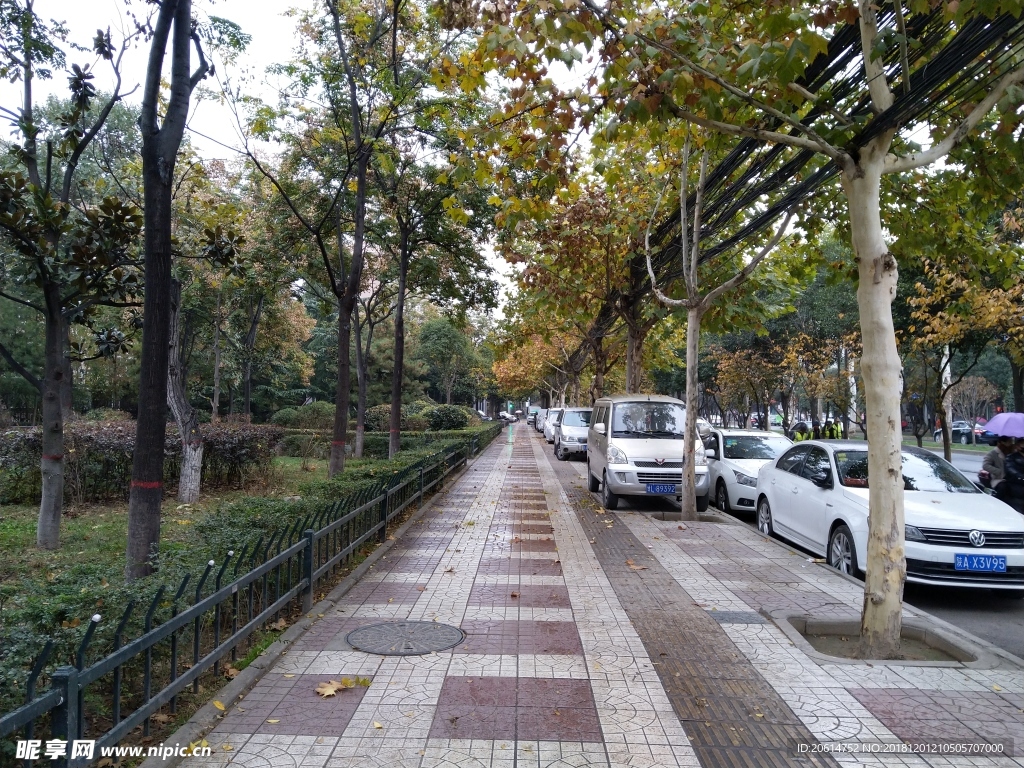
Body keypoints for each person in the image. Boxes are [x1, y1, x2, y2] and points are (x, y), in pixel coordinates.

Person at [997, 439, 1024, 514]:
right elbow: (1010, 469)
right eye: (1021, 444)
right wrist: (1020, 476)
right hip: (1015, 483)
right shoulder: (1011, 457)